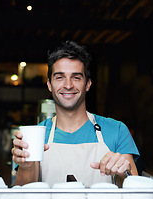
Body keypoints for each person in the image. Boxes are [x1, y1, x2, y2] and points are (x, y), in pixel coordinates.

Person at [12, 40, 139, 188]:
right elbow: (22, 197)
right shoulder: (36, 137)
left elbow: (135, 191)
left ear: (88, 84)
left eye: (76, 77)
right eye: (60, 77)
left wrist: (124, 173)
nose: (68, 85)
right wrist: (26, 167)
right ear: (49, 85)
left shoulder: (116, 130)